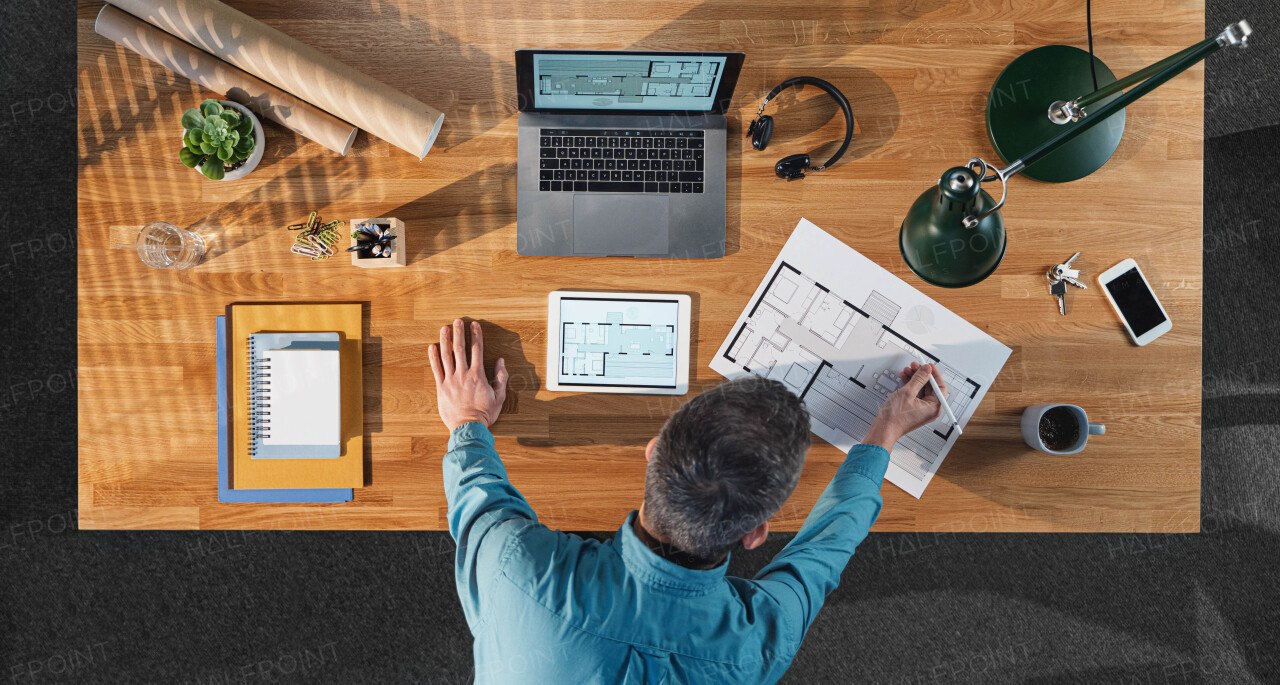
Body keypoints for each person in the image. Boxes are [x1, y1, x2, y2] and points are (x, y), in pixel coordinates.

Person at [430, 319, 948, 684]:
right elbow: (825, 549)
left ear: (652, 454)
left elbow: (479, 498)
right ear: (755, 533)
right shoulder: (756, 651)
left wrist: (468, 420)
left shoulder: (513, 568)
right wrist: (886, 430)